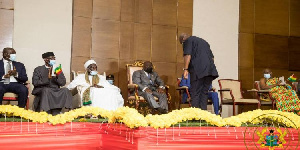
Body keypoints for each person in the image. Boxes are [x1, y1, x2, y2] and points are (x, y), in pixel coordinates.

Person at [179, 33, 219, 110]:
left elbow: (187, 55)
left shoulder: (187, 41)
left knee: (195, 93)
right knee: (204, 93)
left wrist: (186, 69)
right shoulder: (204, 42)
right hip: (210, 71)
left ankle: (196, 116)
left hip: (198, 71)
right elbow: (212, 58)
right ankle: (203, 116)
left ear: (183, 39)